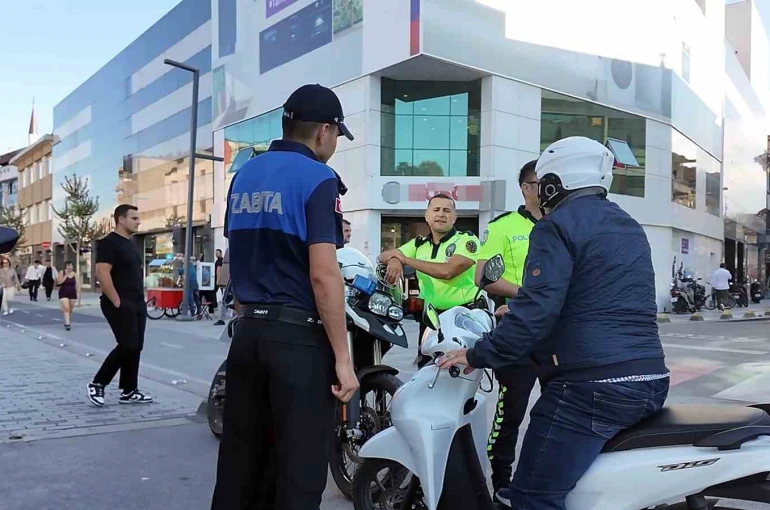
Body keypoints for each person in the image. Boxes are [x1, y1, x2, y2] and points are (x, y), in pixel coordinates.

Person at [438, 137, 669, 510]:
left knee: (530, 496)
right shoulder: (628, 225)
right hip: (650, 381)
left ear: (552, 184)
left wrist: (478, 354)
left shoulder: (555, 226)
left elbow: (537, 312)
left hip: (591, 389)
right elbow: (597, 297)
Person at [211, 83, 359, 510]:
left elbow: (235, 260)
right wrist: (343, 360)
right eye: (335, 136)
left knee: (240, 466)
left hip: (248, 337)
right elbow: (324, 275)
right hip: (297, 343)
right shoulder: (319, 178)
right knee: (298, 473)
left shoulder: (244, 177)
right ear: (324, 132)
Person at [475, 160, 541, 497]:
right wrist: (530, 295)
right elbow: (483, 277)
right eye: (539, 182)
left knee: (560, 411)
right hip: (517, 332)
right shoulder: (503, 226)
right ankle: (501, 481)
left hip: (561, 335)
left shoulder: (565, 224)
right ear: (525, 188)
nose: (546, 189)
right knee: (511, 410)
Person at [378, 193, 480, 367]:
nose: (441, 214)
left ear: (454, 217)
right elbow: (383, 256)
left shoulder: (467, 240)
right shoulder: (419, 244)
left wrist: (405, 260)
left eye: (447, 210)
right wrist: (395, 259)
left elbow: (447, 271)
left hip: (461, 318)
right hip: (430, 319)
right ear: (427, 216)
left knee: (458, 376)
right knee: (426, 372)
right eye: (436, 210)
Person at [87, 205, 153, 407]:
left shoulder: (130, 243)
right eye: (134, 218)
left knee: (136, 347)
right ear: (121, 220)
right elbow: (102, 272)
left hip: (136, 303)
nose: (138, 221)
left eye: (138, 217)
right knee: (127, 345)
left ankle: (129, 391)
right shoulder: (109, 243)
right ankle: (98, 383)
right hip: (119, 302)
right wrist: (116, 300)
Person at [56, 261, 80, 331]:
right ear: (65, 266)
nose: (70, 267)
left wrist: (79, 300)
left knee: (70, 310)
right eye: (68, 266)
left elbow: (78, 287)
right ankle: (67, 324)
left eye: (71, 266)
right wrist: (66, 276)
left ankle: (66, 320)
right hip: (63, 293)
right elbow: (59, 282)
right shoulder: (62, 272)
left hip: (72, 293)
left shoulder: (75, 274)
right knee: (66, 308)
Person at [213, 248, 230, 326]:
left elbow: (218, 271)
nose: (216, 254)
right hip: (227, 281)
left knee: (223, 299)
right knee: (225, 298)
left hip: (224, 281)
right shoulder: (224, 261)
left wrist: (218, 280)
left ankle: (222, 318)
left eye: (217, 253)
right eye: (216, 253)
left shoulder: (220, 261)